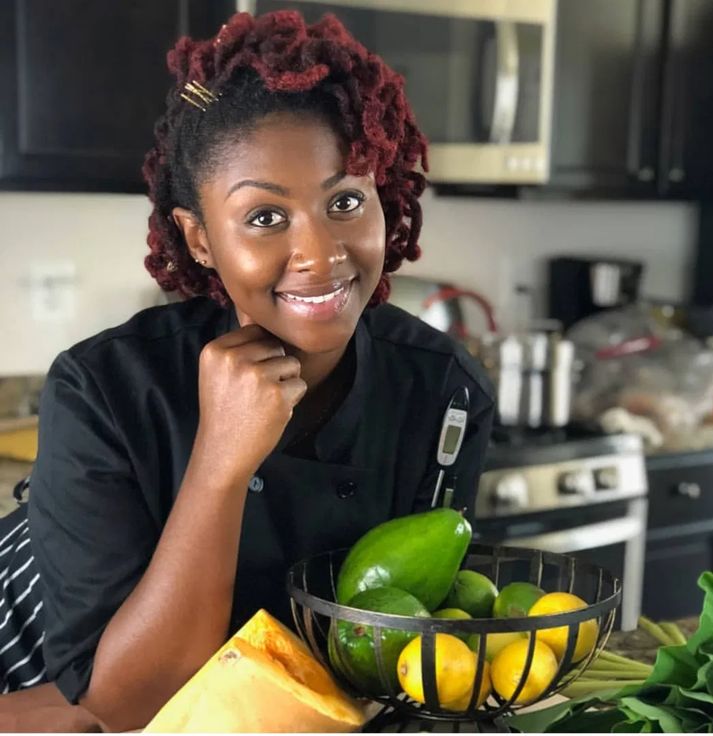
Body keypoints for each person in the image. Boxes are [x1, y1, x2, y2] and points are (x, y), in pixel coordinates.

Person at [0, 9, 495, 732]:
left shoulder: (443, 392)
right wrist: (221, 462)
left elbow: (406, 647)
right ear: (199, 239)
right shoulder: (105, 390)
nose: (321, 253)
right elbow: (123, 705)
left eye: (345, 201)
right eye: (265, 217)